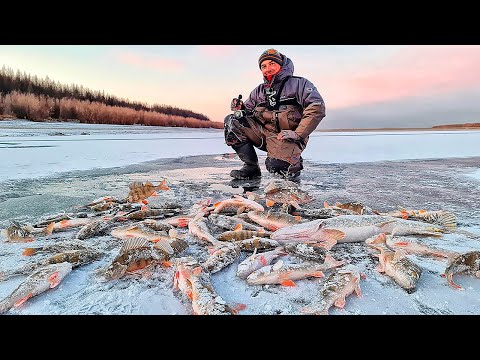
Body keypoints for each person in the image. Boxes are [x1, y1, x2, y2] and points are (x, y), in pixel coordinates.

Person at [224, 48, 326, 180]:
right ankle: (251, 167)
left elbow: (317, 107)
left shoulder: (300, 84)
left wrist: (298, 134)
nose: (268, 69)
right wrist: (240, 107)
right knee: (233, 121)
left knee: (278, 167)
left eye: (272, 64)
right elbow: (247, 112)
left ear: (282, 65)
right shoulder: (258, 91)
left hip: (288, 137)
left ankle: (292, 165)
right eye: (263, 66)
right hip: (264, 135)